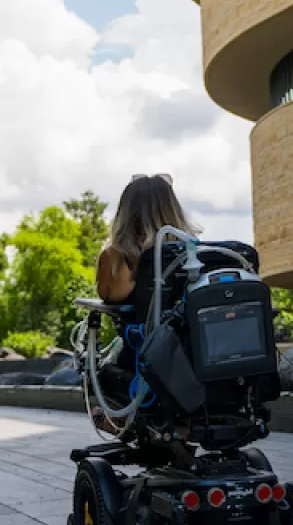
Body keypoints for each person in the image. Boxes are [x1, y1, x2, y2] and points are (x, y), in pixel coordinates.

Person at [91, 174, 199, 432]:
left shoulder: (120, 257)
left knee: (98, 368)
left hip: (145, 361)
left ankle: (119, 418)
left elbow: (110, 297)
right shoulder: (194, 252)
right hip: (193, 356)